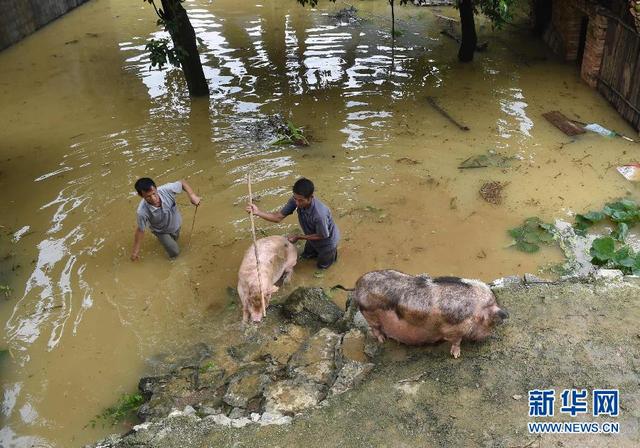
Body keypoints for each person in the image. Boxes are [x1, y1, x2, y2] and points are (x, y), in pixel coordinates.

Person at [246, 178, 340, 269]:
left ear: (310, 197)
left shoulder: (320, 215)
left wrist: (299, 237)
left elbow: (323, 235)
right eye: (295, 198)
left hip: (327, 243)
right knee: (306, 256)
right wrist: (258, 212)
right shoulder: (295, 200)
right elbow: (278, 217)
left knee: (322, 267)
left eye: (301, 200)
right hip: (312, 236)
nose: (297, 203)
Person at [130, 178, 201, 261]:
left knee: (174, 240)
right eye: (148, 197)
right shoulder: (142, 212)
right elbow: (140, 230)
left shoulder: (166, 190)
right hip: (160, 231)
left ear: (156, 189)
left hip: (176, 225)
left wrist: (192, 195)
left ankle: (166, 244)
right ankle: (173, 263)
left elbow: (182, 182)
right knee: (175, 252)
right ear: (141, 196)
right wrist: (135, 251)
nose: (153, 199)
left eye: (154, 194)